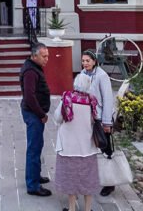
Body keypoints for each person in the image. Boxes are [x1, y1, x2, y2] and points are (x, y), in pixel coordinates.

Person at [53, 72, 101, 211]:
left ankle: (72, 208)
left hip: (68, 146)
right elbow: (94, 120)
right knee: (88, 178)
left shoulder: (67, 98)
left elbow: (57, 118)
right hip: (87, 146)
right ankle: (87, 208)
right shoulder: (92, 101)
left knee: (71, 178)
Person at [80, 49, 116, 197]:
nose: (85, 63)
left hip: (101, 118)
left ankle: (109, 183)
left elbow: (108, 99)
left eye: (88, 61)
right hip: (88, 117)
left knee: (105, 149)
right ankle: (93, 177)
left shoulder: (102, 76)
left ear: (94, 61)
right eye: (83, 61)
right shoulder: (82, 74)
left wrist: (107, 122)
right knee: (90, 148)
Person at [20, 42, 52, 197]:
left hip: (35, 113)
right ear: (34, 56)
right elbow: (30, 97)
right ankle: (33, 185)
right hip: (33, 114)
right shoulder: (30, 72)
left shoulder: (35, 67)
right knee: (34, 148)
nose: (47, 59)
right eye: (44, 56)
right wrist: (41, 114)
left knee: (38, 145)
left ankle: (35, 175)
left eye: (47, 56)